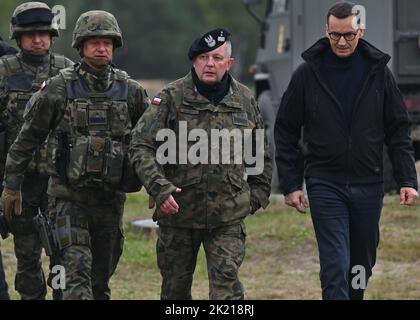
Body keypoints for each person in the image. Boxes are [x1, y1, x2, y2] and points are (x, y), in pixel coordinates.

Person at [274, 1, 418, 300]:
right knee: (335, 265)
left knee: (361, 264)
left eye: (349, 35)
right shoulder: (308, 74)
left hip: (369, 183)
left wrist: (407, 179)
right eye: (335, 35)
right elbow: (286, 129)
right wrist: (291, 184)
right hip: (325, 183)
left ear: (360, 31)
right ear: (326, 31)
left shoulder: (379, 73)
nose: (341, 42)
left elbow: (397, 129)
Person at [1, 10, 148, 300]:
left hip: (107, 197)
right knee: (59, 269)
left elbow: (151, 138)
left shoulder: (129, 90)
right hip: (60, 194)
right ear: (81, 46)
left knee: (97, 281)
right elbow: (26, 137)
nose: (101, 47)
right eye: (94, 42)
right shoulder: (56, 85)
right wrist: (11, 184)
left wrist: (159, 183)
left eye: (107, 42)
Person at [130, 28, 272, 300]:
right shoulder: (171, 98)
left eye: (217, 58)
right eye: (203, 57)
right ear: (194, 62)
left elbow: (260, 152)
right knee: (175, 291)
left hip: (227, 217)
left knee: (226, 291)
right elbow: (140, 145)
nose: (210, 63)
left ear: (228, 64)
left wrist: (256, 196)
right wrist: (159, 188)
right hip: (179, 216)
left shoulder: (244, 99)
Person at [0, 2, 73, 300]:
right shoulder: (4, 71)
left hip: (60, 182)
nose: (38, 39)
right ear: (18, 37)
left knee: (63, 252)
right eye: (30, 34)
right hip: (21, 182)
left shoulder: (67, 69)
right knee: (27, 255)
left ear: (52, 35)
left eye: (44, 33)